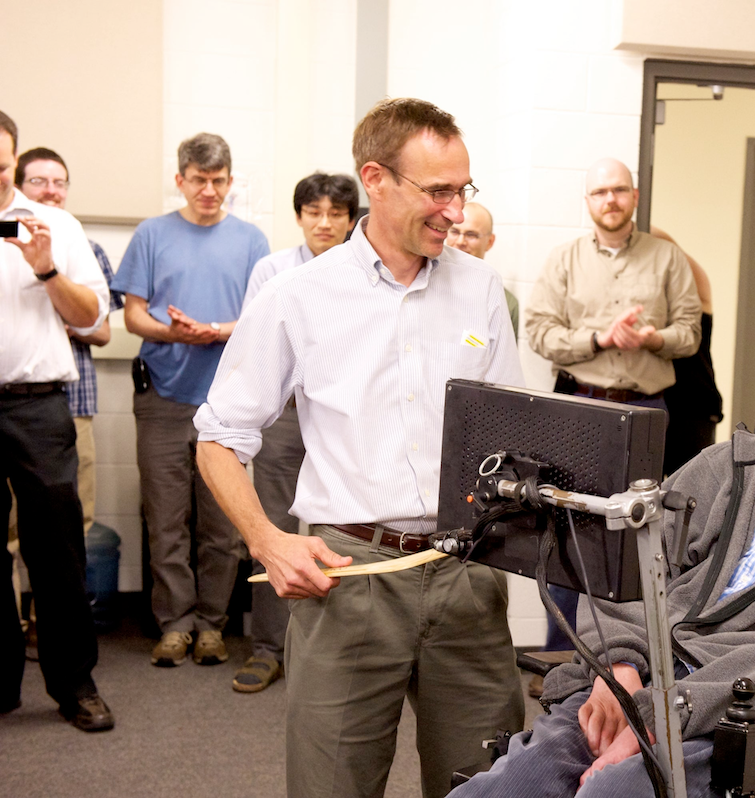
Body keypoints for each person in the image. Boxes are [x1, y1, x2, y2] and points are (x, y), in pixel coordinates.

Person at [194, 98, 525, 798]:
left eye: (463, 190)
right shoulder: (297, 297)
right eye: (438, 191)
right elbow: (220, 439)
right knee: (332, 784)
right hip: (349, 574)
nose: (456, 211)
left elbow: (508, 438)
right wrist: (267, 541)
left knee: (489, 783)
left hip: (466, 571)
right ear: (375, 180)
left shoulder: (482, 290)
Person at [447, 343, 755, 798]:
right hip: (635, 675)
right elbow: (628, 568)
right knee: (519, 780)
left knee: (615, 791)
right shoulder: (729, 470)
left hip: (735, 721)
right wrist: (617, 668)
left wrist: (665, 713)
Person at [111, 133, 270, 668]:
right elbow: (132, 317)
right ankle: (174, 624)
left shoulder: (251, 241)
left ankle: (211, 625)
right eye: (198, 180)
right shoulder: (152, 235)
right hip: (162, 396)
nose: (209, 190)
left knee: (223, 524)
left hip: (227, 404)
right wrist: (177, 333)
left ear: (229, 181)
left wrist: (216, 330)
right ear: (179, 180)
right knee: (166, 518)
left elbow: (261, 320)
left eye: (218, 181)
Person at [0, 110, 114, 731]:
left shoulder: (56, 224)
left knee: (57, 552)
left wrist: (45, 268)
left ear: (13, 162)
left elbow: (92, 314)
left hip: (36, 404)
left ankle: (75, 686)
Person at [231, 172, 358, 694]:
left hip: (344, 418)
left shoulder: (365, 273)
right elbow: (255, 348)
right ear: (299, 215)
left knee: (348, 530)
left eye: (335, 214)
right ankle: (267, 647)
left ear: (352, 220)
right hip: (285, 415)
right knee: (276, 525)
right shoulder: (273, 270)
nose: (324, 223)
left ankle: (348, 650)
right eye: (313, 212)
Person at [525, 157, 701, 417]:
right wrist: (598, 340)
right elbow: (539, 333)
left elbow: (691, 333)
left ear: (635, 196)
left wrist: (653, 340)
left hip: (648, 407)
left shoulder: (669, 256)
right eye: (599, 192)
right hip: (578, 403)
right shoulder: (562, 259)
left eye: (619, 190)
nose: (610, 199)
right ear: (587, 202)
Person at [15, 147, 125, 536]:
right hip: (13, 396)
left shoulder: (83, 246)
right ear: (18, 185)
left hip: (69, 404)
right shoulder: (7, 242)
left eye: (59, 183)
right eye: (39, 182)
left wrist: (56, 321)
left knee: (69, 525)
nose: (51, 191)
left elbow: (102, 330)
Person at [650, 226, 723, 476]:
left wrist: (636, 228)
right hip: (654, 404)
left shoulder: (692, 291)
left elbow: (663, 240)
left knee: (692, 496)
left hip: (693, 407)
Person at [446, 201, 520, 337]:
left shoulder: (504, 303)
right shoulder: (422, 285)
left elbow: (505, 357)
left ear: (490, 242)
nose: (461, 241)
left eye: (471, 235)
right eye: (454, 232)